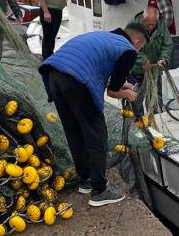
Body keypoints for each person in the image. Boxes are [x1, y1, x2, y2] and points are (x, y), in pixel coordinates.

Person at [38, 23, 149, 207]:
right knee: (96, 133)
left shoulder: (107, 38)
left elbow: (100, 74)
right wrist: (127, 93)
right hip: (76, 81)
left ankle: (85, 180)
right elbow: (113, 93)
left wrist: (120, 86)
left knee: (74, 130)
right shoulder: (129, 50)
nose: (138, 51)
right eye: (141, 47)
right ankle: (100, 191)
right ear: (137, 41)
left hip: (55, 76)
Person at [130, 7, 173, 84]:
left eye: (153, 25)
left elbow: (167, 45)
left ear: (157, 20)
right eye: (148, 25)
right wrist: (142, 60)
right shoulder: (132, 27)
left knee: (155, 94)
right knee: (135, 94)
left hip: (155, 70)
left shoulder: (162, 26)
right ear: (143, 18)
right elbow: (129, 47)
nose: (150, 27)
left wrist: (163, 58)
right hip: (136, 70)